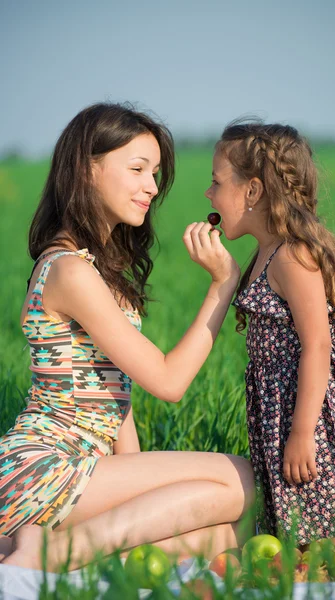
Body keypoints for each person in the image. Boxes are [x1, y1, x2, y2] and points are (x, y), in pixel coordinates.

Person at [0, 103, 255, 571]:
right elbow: (168, 382)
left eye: (155, 173)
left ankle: (51, 549)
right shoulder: (69, 270)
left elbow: (114, 393)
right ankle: (52, 553)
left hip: (89, 470)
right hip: (45, 467)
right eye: (137, 169)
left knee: (228, 532)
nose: (152, 188)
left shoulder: (94, 266)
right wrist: (222, 285)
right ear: (85, 169)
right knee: (245, 481)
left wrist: (138, 473)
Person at [204, 120, 335, 550]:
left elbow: (318, 345)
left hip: (316, 417)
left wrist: (301, 434)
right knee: (310, 542)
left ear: (253, 191)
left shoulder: (291, 256)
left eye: (216, 182)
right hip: (285, 411)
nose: (209, 194)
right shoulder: (264, 254)